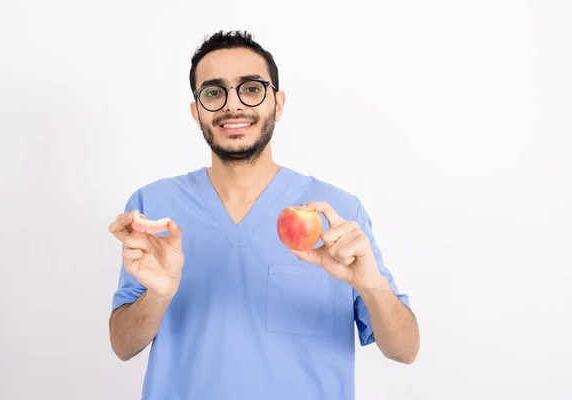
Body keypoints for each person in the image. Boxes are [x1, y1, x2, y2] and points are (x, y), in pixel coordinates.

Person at [108, 30, 419, 400]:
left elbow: (405, 350)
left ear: (279, 103)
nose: (232, 106)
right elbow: (123, 345)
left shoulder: (336, 214)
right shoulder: (153, 207)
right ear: (196, 112)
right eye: (213, 92)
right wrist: (158, 295)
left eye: (251, 88)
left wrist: (372, 285)